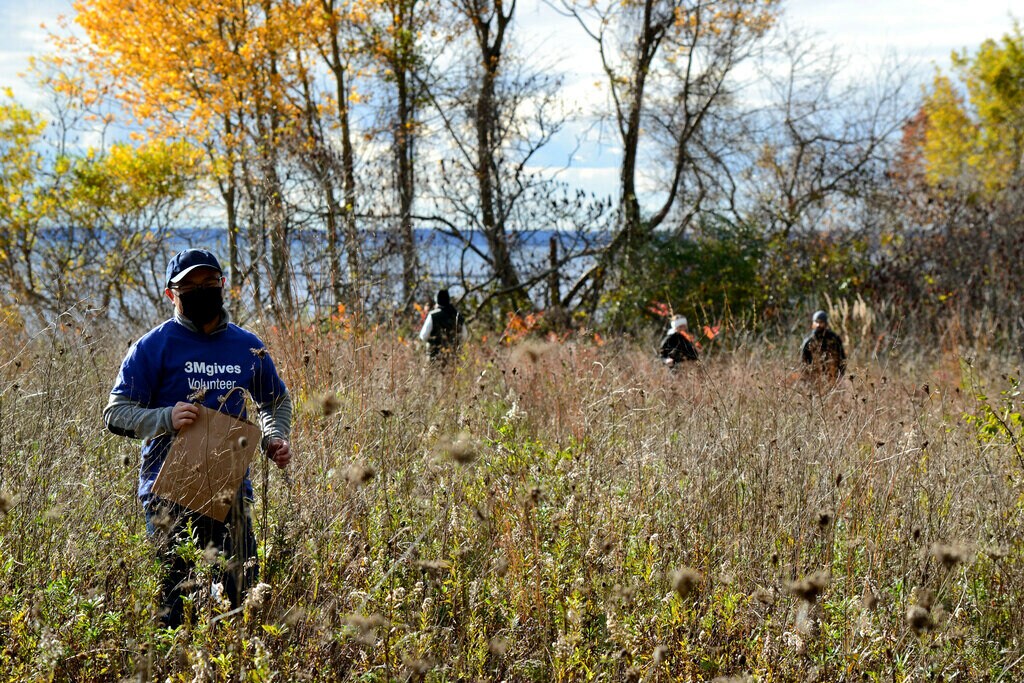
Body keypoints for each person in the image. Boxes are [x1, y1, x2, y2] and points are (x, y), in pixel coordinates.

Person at [103, 248, 293, 628]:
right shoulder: (153, 346)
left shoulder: (247, 345)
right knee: (176, 609)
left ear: (223, 286)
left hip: (231, 492)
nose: (200, 290)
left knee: (240, 602)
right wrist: (165, 417)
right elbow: (115, 414)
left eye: (208, 283)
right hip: (168, 493)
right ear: (171, 294)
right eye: (189, 285)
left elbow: (275, 400)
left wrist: (274, 436)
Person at [418, 288, 464, 364]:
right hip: (454, 358)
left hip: (435, 358)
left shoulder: (433, 315)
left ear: (437, 300)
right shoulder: (457, 315)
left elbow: (423, 336)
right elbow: (464, 336)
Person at [800, 310, 847, 381]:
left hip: (832, 376)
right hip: (815, 378)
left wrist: (840, 375)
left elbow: (842, 358)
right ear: (813, 323)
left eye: (821, 322)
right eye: (816, 322)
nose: (818, 325)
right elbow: (803, 361)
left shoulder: (834, 338)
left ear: (825, 323)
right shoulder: (809, 340)